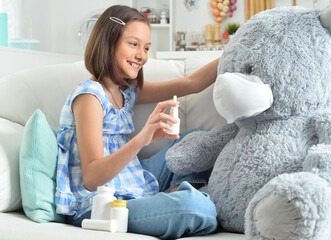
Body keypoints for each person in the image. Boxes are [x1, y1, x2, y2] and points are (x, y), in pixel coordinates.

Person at [55, 5, 220, 239]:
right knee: (197, 208)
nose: (142, 55)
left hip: (134, 181)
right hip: (101, 205)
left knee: (196, 140)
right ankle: (179, 198)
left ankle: (174, 193)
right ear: (108, 42)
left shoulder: (127, 91)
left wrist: (237, 48)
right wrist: (142, 139)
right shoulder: (90, 97)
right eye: (133, 44)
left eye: (146, 48)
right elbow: (92, 179)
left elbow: (192, 83)